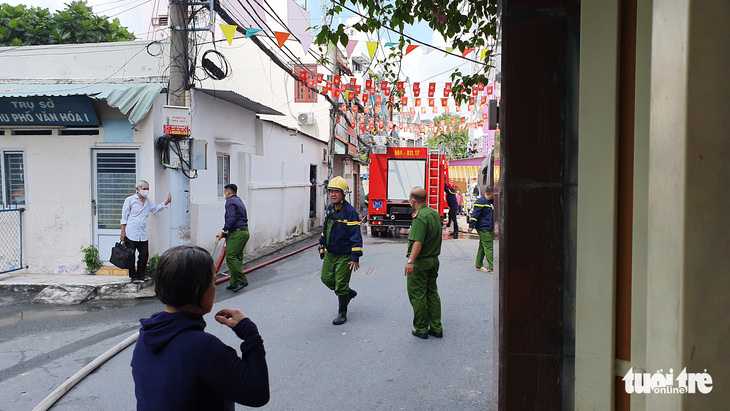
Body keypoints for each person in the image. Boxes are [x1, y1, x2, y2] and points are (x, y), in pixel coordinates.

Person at [131, 245, 269, 410]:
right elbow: (257, 393)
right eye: (213, 281)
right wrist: (250, 335)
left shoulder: (146, 336)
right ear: (198, 289)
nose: (215, 288)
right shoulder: (203, 348)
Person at [319, 176, 363, 325]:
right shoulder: (330, 209)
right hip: (331, 253)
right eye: (331, 191)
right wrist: (322, 243)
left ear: (343, 194)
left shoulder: (350, 212)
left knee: (341, 283)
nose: (333, 194)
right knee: (325, 278)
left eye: (336, 192)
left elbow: (355, 236)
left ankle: (342, 313)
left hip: (345, 255)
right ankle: (347, 293)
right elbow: (326, 229)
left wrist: (355, 256)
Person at [404, 187, 443, 339]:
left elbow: (418, 243)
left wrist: (410, 261)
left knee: (418, 295)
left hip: (420, 262)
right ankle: (436, 327)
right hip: (434, 260)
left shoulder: (419, 217)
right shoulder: (433, 213)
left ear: (413, 200)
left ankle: (421, 328)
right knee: (432, 293)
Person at [120, 180, 171, 284]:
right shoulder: (130, 200)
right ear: (137, 189)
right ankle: (133, 276)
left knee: (144, 254)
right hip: (131, 232)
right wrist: (123, 231)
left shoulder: (148, 202)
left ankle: (141, 274)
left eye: (148, 189)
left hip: (142, 233)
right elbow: (124, 217)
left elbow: (155, 208)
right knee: (131, 255)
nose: (146, 191)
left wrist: (166, 202)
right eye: (144, 189)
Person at [216, 184, 250, 292]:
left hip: (237, 233)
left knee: (230, 256)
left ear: (229, 192)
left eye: (225, 192)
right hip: (244, 232)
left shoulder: (230, 202)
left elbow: (231, 218)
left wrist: (223, 230)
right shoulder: (238, 200)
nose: (224, 194)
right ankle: (234, 282)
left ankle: (241, 281)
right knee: (237, 257)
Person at [467, 187, 495, 273]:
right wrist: (471, 226)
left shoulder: (489, 202)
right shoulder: (481, 202)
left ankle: (478, 265)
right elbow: (474, 215)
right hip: (484, 228)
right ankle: (493, 267)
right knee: (489, 247)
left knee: (483, 246)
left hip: (487, 227)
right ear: (491, 194)